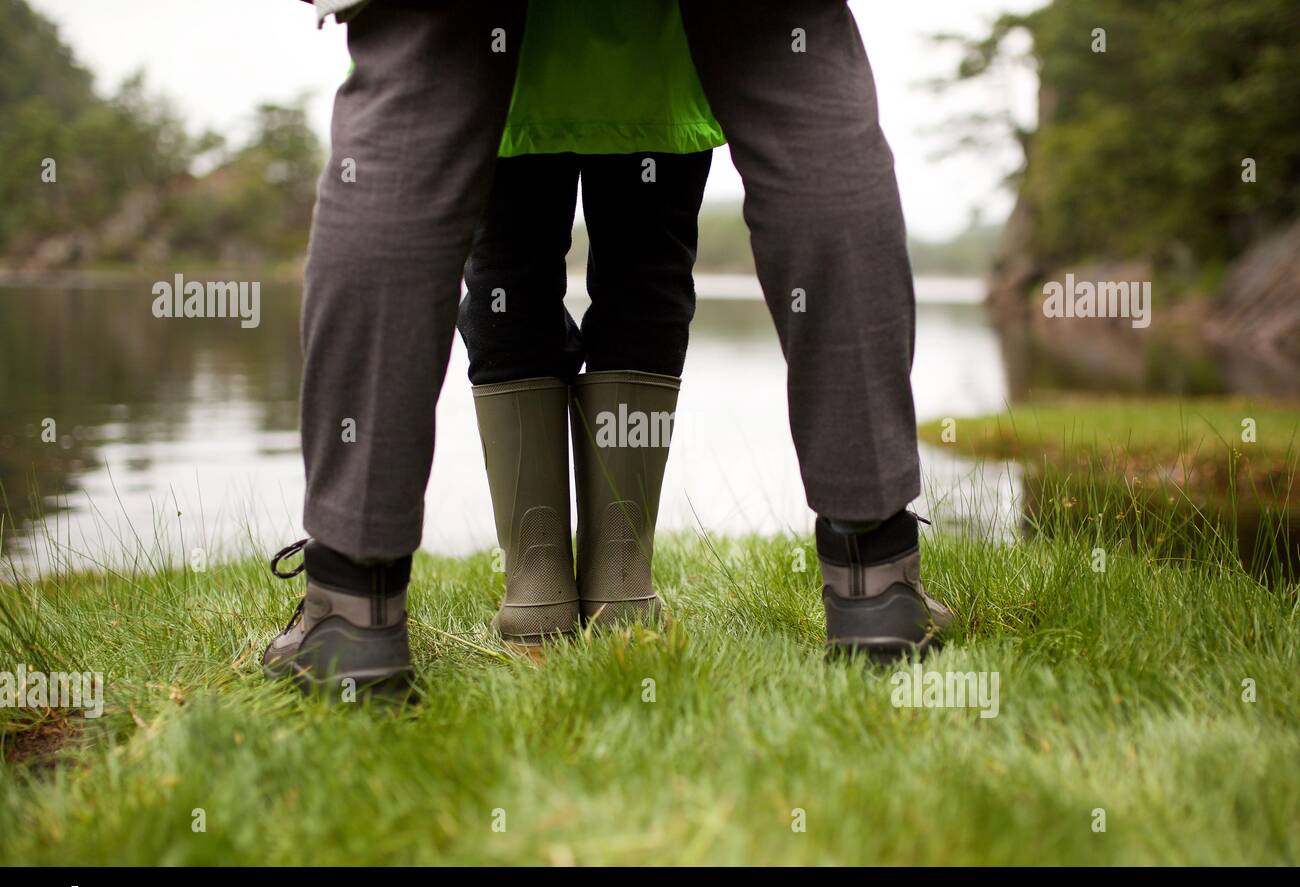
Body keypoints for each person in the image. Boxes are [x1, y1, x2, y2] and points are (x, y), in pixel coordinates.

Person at [265, 0, 952, 695]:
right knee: (792, 67)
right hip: (651, 69)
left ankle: (360, 610)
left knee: (417, 82)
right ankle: (872, 581)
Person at [456, 2, 721, 655]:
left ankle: (537, 589)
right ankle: (621, 587)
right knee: (646, 278)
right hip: (650, 55)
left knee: (508, 282)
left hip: (504, 59)